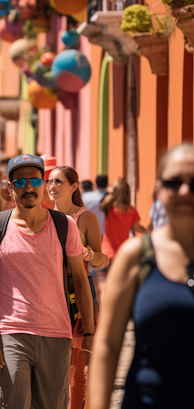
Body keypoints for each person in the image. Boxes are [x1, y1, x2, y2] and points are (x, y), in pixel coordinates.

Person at [0, 154, 94, 409]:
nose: (28, 188)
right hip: (10, 332)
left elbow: (81, 282)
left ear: (43, 184)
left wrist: (91, 333)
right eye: (20, 182)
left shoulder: (65, 226)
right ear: (10, 188)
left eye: (34, 181)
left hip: (57, 333)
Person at [88, 144, 194, 409]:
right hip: (146, 402)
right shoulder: (138, 255)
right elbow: (108, 346)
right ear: (158, 191)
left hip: (108, 249)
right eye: (173, 182)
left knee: (102, 289)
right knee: (107, 296)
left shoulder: (111, 205)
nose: (184, 191)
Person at [47, 165, 109, 409]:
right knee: (51, 357)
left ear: (73, 186)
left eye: (59, 181)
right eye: (49, 181)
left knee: (77, 359)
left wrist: (87, 253)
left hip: (78, 291)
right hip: (49, 292)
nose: (52, 186)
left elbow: (102, 260)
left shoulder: (85, 217)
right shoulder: (44, 216)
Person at [100, 178, 146, 264]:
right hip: (123, 249)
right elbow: (137, 228)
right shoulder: (132, 211)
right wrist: (148, 231)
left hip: (108, 248)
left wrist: (111, 191)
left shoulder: (109, 207)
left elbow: (103, 203)